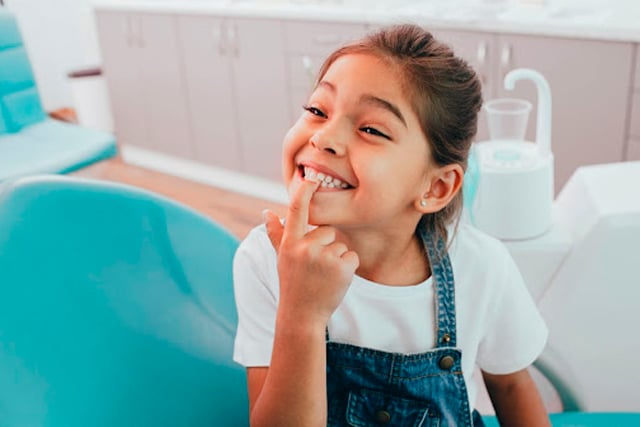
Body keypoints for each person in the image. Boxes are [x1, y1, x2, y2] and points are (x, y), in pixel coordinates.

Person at [233, 24, 550, 426]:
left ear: (435, 187)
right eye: (317, 110)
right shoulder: (264, 260)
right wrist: (302, 314)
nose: (324, 138)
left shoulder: (483, 266)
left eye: (371, 129)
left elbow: (511, 386)